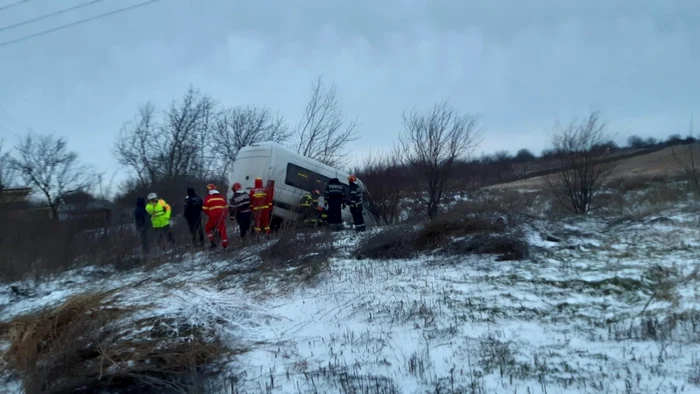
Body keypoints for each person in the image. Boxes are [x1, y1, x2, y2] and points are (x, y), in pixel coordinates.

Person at [202, 184, 228, 249]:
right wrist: (223, 215)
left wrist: (209, 214)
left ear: (209, 190)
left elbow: (204, 208)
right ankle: (225, 244)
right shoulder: (221, 197)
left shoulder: (208, 198)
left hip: (213, 217)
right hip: (221, 216)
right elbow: (226, 207)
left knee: (207, 229)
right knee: (222, 230)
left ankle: (213, 242)